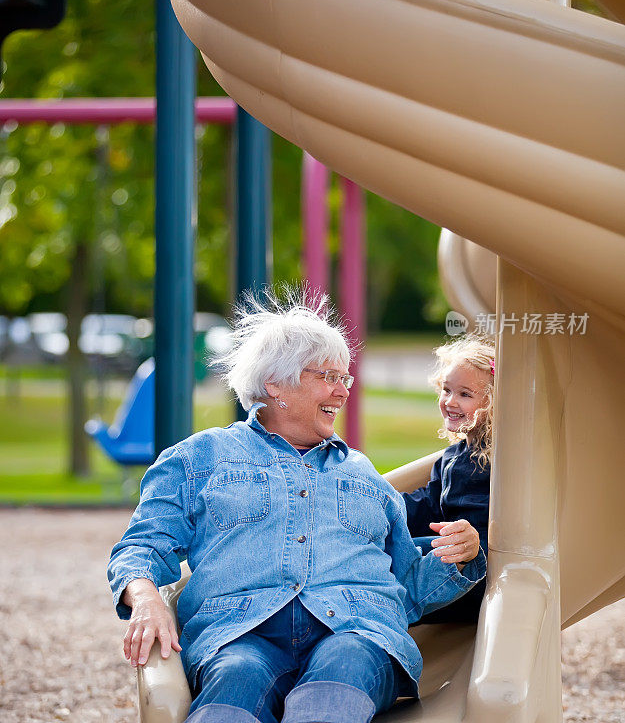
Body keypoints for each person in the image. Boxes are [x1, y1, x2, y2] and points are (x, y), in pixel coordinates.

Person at [108, 291, 486, 723]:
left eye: (346, 378)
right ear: (275, 384)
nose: (343, 391)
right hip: (238, 633)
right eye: (330, 377)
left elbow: (407, 588)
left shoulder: (364, 476)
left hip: (356, 630)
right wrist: (145, 600)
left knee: (346, 662)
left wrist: (462, 554)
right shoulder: (198, 458)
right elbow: (140, 546)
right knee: (238, 674)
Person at [402, 335, 494, 624]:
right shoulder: (452, 456)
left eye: (465, 394)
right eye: (446, 390)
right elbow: (427, 506)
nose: (450, 402)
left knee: (384, 562)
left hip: (478, 571)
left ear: (494, 402)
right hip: (449, 560)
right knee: (382, 547)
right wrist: (379, 505)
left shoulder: (502, 459)